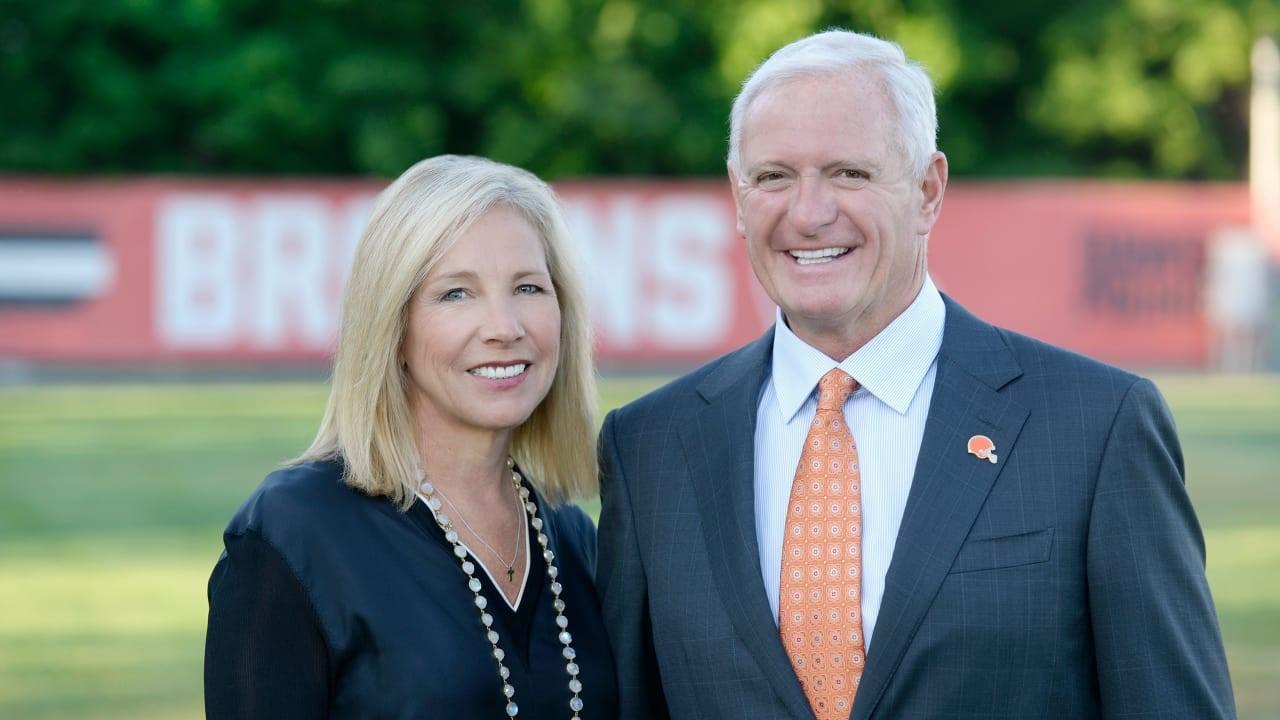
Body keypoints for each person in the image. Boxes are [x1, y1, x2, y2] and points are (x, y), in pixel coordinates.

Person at [596, 29, 1235, 720]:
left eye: (850, 173)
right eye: (774, 176)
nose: (809, 213)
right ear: (738, 196)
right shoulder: (649, 448)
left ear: (928, 190)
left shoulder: (1096, 427)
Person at [205, 155, 617, 719]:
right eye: (456, 294)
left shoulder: (573, 538)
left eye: (527, 287)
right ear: (393, 329)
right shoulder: (295, 530)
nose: (504, 327)